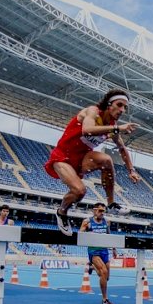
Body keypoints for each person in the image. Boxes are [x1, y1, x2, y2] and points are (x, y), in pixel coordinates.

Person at [45, 89, 140, 236]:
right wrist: (117, 128)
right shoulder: (93, 111)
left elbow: (122, 149)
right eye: (119, 105)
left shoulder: (112, 126)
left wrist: (131, 170)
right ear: (109, 105)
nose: (122, 110)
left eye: (125, 107)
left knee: (106, 160)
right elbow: (86, 130)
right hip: (63, 156)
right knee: (79, 191)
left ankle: (111, 203)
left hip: (82, 158)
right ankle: (62, 212)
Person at [79, 202, 117, 304]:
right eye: (100, 211)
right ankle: (105, 299)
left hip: (104, 251)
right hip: (94, 251)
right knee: (103, 272)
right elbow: (80, 235)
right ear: (94, 210)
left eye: (103, 211)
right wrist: (87, 232)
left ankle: (92, 267)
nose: (102, 213)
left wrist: (114, 249)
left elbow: (109, 235)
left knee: (106, 277)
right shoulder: (87, 222)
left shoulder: (107, 221)